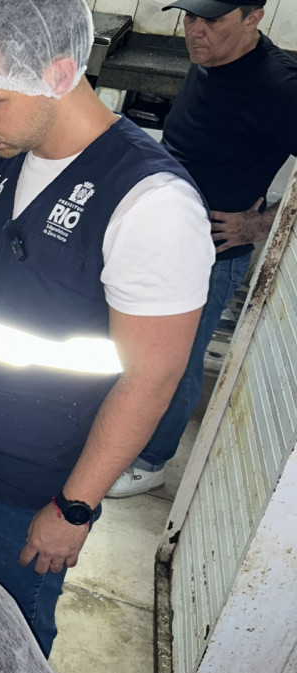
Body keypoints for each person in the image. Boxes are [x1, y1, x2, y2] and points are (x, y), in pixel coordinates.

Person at [0, 0, 215, 656]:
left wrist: (75, 507)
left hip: (32, 473)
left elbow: (152, 378)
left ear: (61, 72)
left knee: (8, 635)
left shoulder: (150, 205)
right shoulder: (7, 151)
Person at [106, 0, 297, 497]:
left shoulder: (279, 84)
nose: (196, 31)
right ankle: (120, 432)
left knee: (177, 358)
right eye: (191, 17)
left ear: (253, 16)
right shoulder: (207, 60)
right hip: (157, 231)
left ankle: (151, 461)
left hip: (210, 253)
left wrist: (261, 223)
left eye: (212, 20)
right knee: (131, 342)